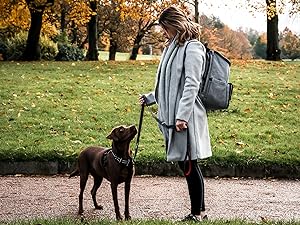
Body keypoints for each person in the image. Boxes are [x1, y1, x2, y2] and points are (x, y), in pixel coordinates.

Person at [139, 6, 212, 222]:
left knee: (189, 163)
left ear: (175, 24)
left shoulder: (192, 48)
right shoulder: (173, 47)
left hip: (186, 117)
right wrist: (151, 97)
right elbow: (169, 83)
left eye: (165, 27)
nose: (163, 32)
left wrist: (182, 116)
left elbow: (191, 84)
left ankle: (196, 213)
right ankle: (201, 210)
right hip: (175, 115)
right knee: (187, 162)